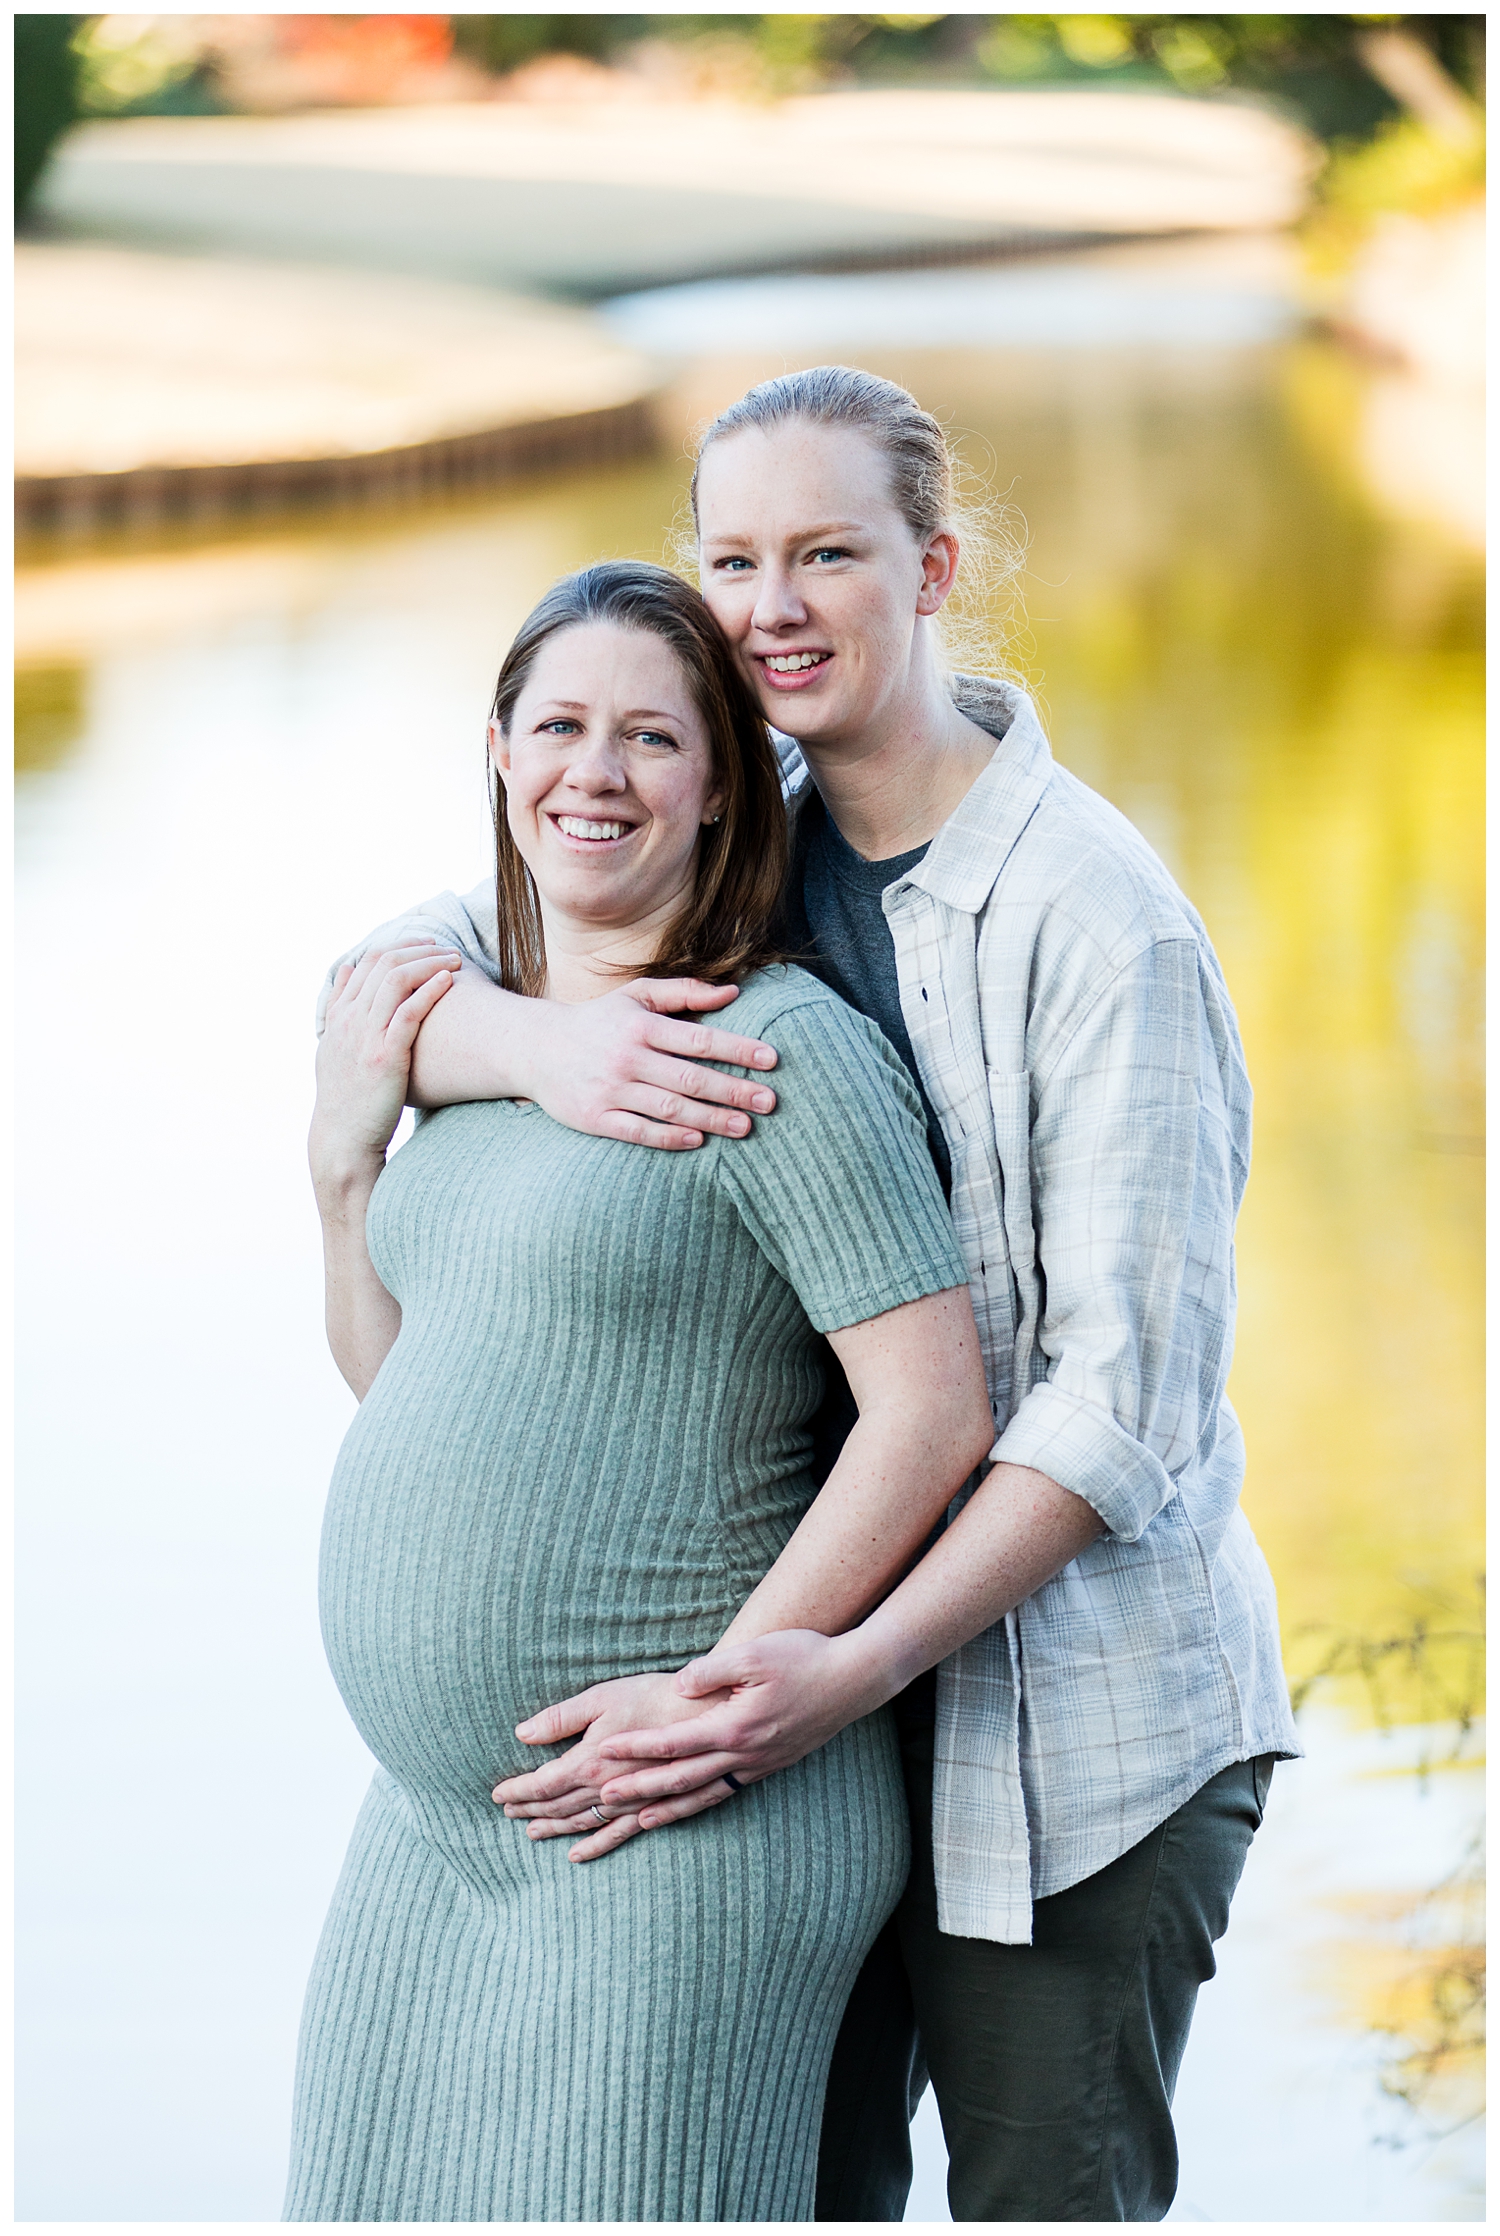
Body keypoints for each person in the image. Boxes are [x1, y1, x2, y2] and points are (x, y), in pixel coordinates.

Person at [332, 368, 1302, 2224]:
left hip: (1060, 1736)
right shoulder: (726, 817)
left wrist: (821, 1674)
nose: (774, 604)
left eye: (829, 554)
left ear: (933, 569)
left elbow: (1124, 1415)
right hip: (798, 1752)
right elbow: (383, 978)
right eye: (737, 559)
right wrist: (538, 1047)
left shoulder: (1104, 926)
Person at [292, 558, 996, 2223]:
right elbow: (406, 1382)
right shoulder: (478, 1036)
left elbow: (935, 1409)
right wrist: (339, 1181)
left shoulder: (771, 1051)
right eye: (559, 726)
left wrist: (733, 1695)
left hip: (670, 1836)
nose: (592, 774)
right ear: (496, 749)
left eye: (650, 740)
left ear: (721, 787)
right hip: (437, 1828)